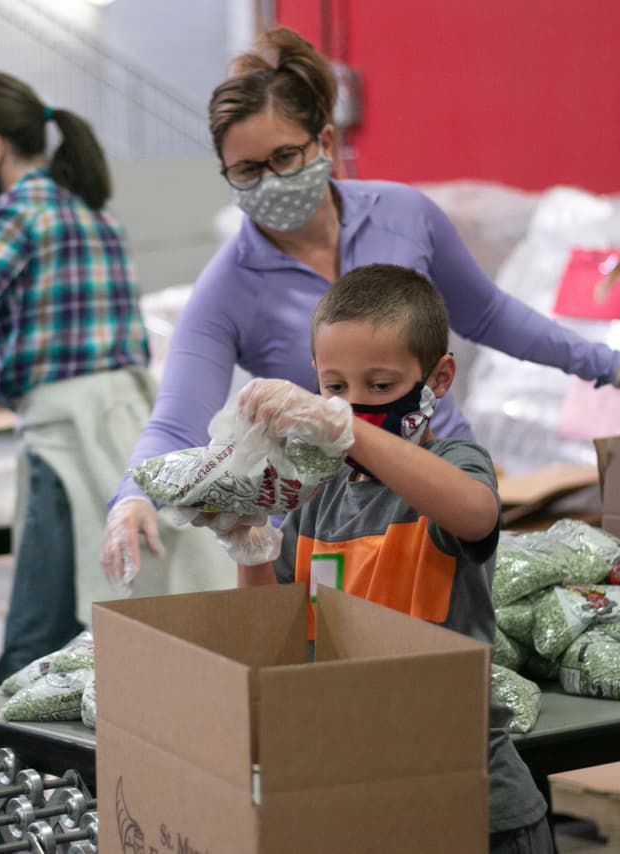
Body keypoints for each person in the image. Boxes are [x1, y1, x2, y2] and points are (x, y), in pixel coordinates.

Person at [99, 26, 620, 587]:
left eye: (284, 158)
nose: (270, 180)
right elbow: (176, 422)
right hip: (330, 519)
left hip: (441, 482)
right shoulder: (227, 288)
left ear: (324, 142)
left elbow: (489, 315)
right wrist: (132, 498)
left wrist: (612, 367)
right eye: (247, 171)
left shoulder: (403, 215)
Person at [217, 263, 554, 852]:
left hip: (472, 811)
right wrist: (249, 539)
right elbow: (271, 635)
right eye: (335, 388)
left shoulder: (454, 465)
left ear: (438, 378)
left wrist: (346, 430)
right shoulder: (317, 502)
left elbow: (475, 514)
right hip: (363, 800)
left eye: (380, 386)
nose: (353, 405)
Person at [0, 70, 223, 685]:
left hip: (66, 438)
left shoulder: (11, 214)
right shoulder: (95, 215)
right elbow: (50, 339)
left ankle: (6, 739)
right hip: (134, 423)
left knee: (35, 635)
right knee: (128, 597)